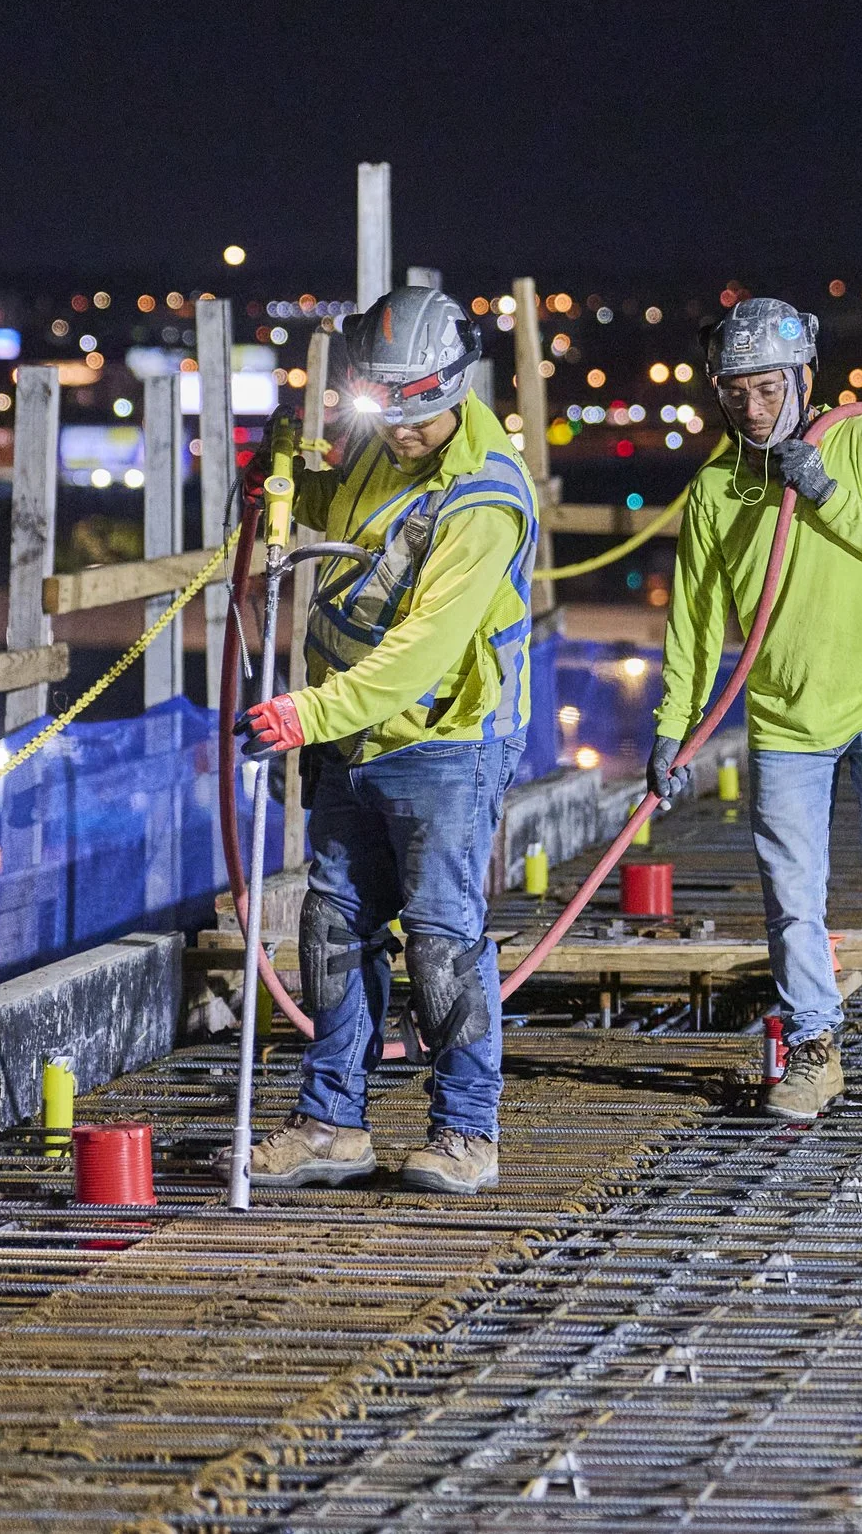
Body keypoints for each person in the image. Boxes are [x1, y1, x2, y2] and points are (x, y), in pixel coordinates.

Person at [236, 285, 538, 1194]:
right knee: (333, 926)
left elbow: (419, 654)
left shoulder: (487, 496)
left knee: (441, 938)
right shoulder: (387, 432)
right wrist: (288, 475)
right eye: (387, 410)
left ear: (456, 387)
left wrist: (305, 716)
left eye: (419, 415)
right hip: (351, 740)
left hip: (442, 742)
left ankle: (467, 1134)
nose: (401, 432)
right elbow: (353, 511)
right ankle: (333, 1123)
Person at [649, 296, 862, 1120]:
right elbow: (696, 623)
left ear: (804, 377)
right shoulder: (717, 489)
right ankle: (813, 1051)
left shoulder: (861, 441)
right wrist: (673, 731)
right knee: (792, 893)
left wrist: (823, 492)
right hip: (784, 717)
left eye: (768, 389)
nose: (753, 408)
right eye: (736, 392)